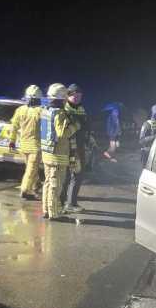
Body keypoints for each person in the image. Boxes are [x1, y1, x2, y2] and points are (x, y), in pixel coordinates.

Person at [39, 83, 80, 221]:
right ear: (62, 98)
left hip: (46, 153)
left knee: (48, 183)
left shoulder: (46, 110)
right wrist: (75, 126)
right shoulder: (59, 113)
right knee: (55, 185)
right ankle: (54, 213)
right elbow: (62, 133)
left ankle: (46, 210)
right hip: (57, 155)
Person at [61, 83, 94, 213]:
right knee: (69, 176)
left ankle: (69, 202)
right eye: (74, 95)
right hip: (68, 147)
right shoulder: (64, 109)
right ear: (68, 95)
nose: (77, 98)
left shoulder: (81, 108)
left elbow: (86, 125)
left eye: (79, 95)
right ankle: (65, 202)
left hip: (79, 147)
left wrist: (89, 136)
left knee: (77, 174)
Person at [10, 84, 44, 200]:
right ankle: (25, 190)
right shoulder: (41, 111)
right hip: (35, 147)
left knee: (30, 168)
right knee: (31, 169)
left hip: (23, 146)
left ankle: (37, 183)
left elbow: (14, 126)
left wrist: (12, 141)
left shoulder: (20, 110)